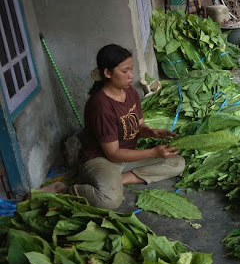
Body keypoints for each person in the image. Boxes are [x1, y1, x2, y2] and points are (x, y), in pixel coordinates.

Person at [43, 45, 185, 210]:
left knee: (177, 162)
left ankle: (118, 180)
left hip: (126, 158)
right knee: (108, 200)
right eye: (125, 71)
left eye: (132, 69)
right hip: (101, 160)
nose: (131, 76)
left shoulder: (130, 92)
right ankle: (64, 190)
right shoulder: (101, 105)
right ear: (108, 73)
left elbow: (139, 125)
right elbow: (113, 154)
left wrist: (151, 132)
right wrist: (154, 152)